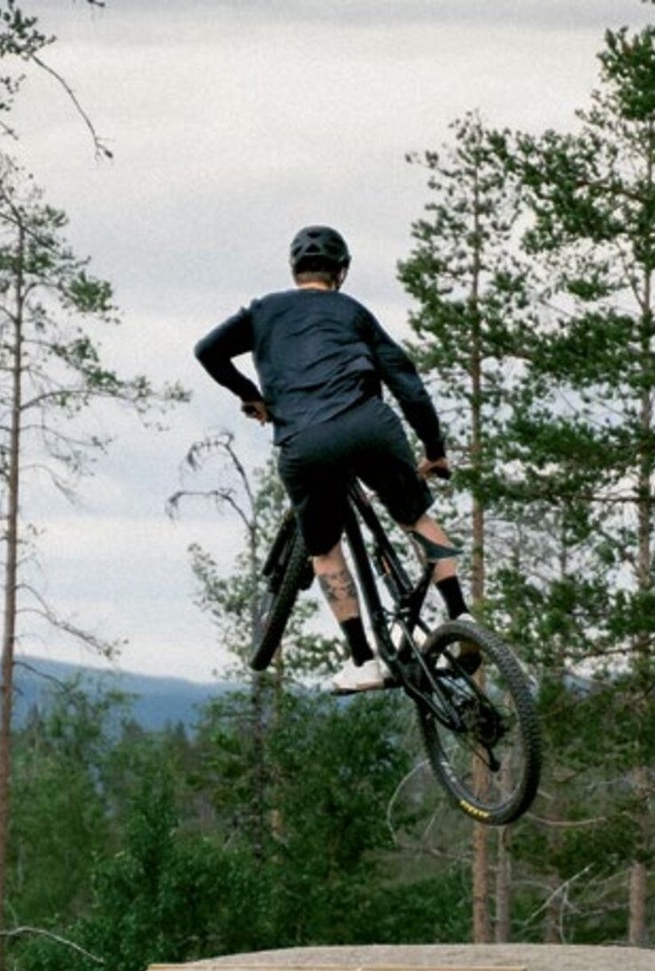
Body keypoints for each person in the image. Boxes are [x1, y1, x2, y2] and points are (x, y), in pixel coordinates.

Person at [194, 225, 471, 692]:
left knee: (324, 550)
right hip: (370, 426)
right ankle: (462, 614)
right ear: (340, 273)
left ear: (294, 270)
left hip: (306, 441)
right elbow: (408, 384)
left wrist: (253, 396)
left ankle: (363, 659)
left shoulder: (263, 312)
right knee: (415, 516)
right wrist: (435, 451)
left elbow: (208, 351)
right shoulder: (352, 312)